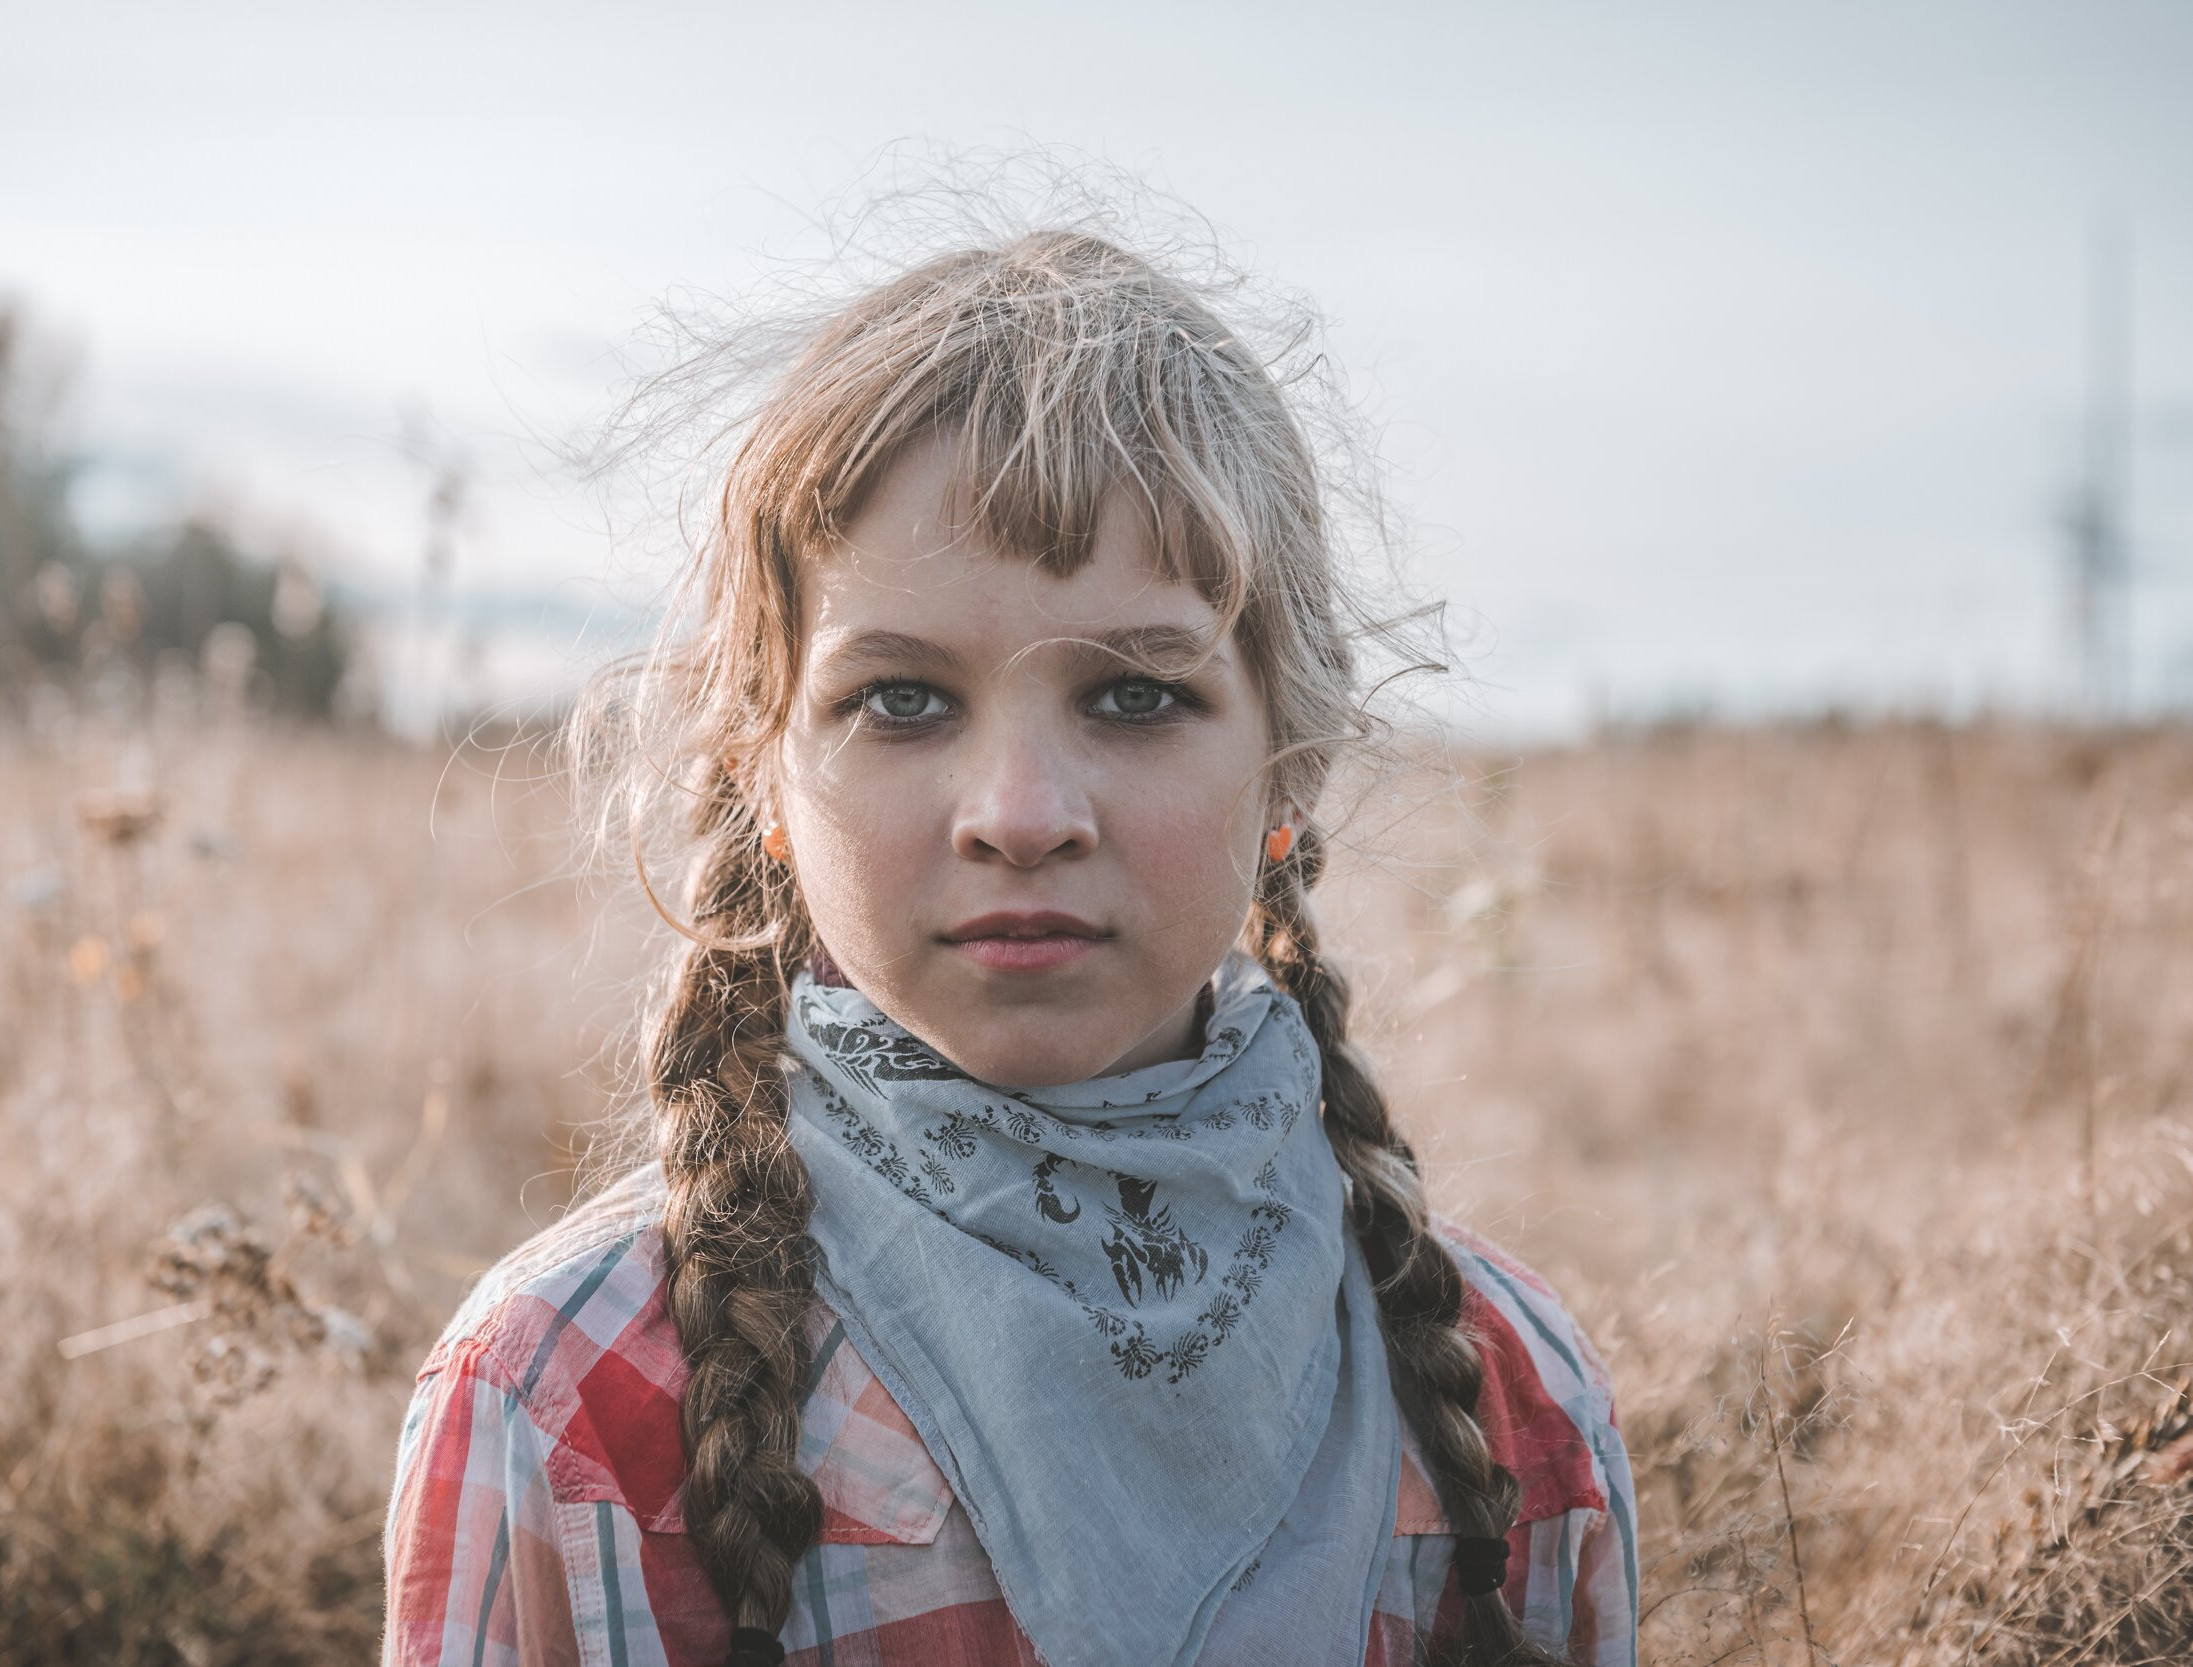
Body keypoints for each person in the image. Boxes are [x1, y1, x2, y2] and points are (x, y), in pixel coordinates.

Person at [381, 215, 1639, 1667]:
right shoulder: (572, 1403)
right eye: (903, 700)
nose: (1022, 815)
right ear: (761, 777)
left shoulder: (1510, 1402)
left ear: (1291, 761)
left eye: (1135, 696)